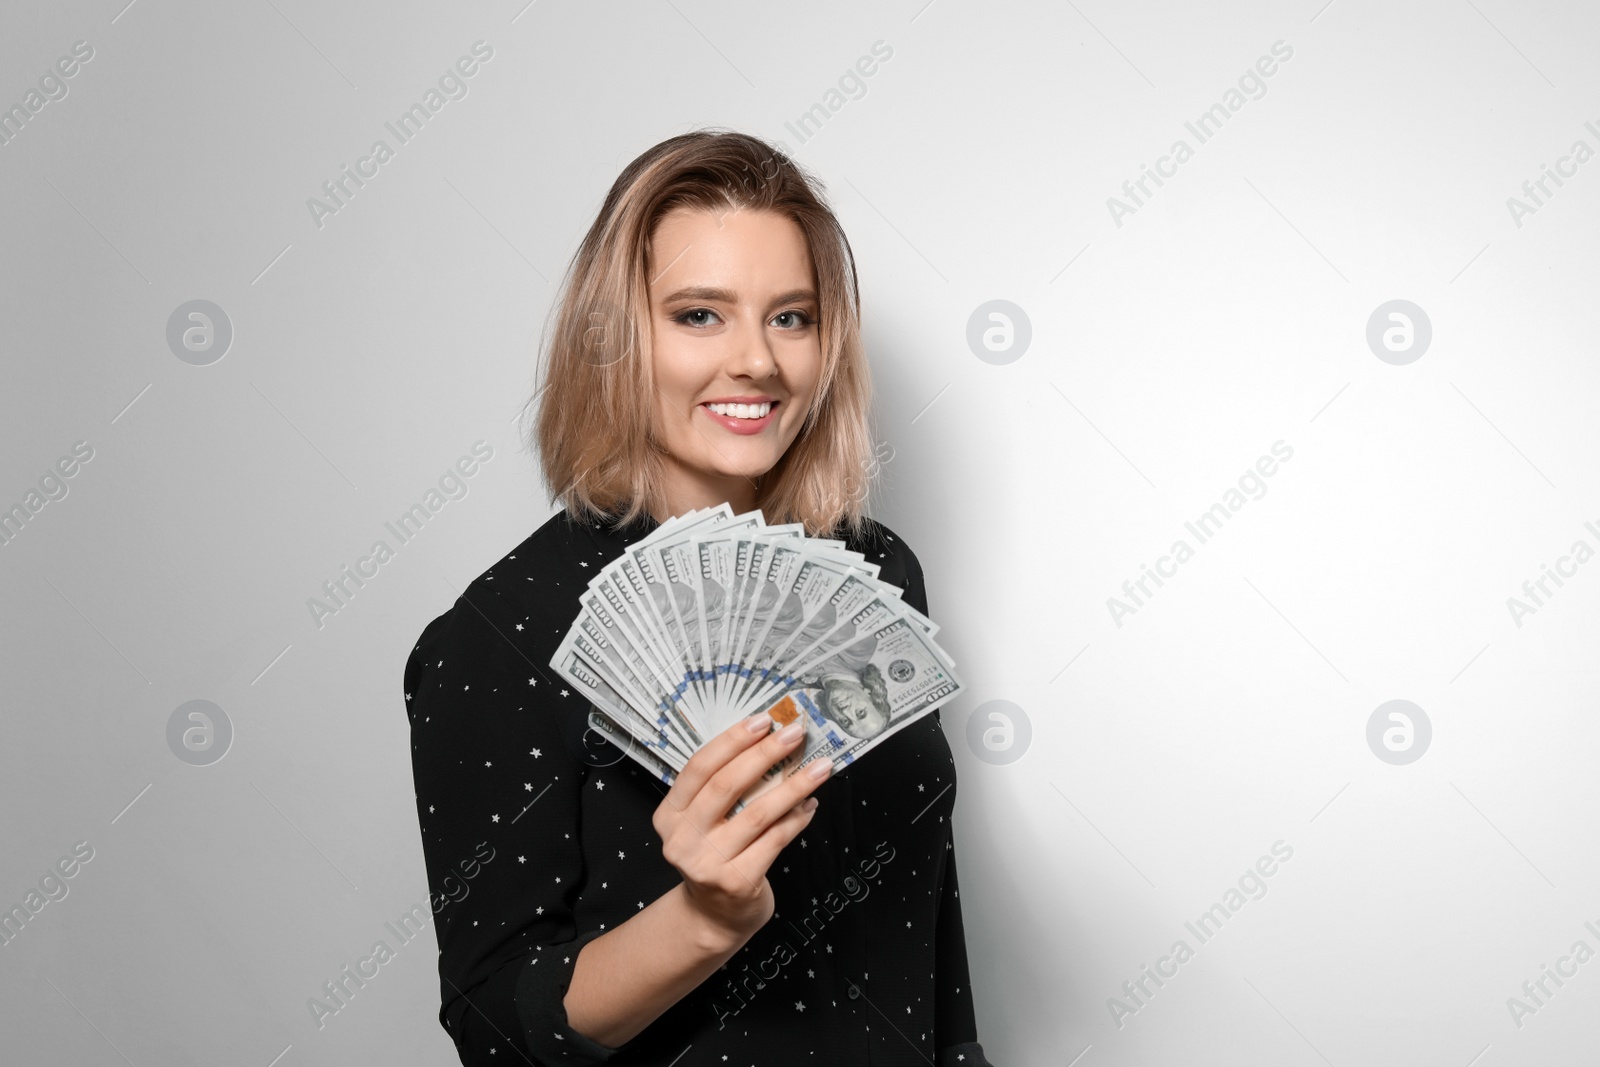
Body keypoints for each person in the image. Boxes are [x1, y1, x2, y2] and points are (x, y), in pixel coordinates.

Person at [403, 129, 993, 1066]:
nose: (757, 361)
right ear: (617, 338)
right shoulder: (504, 633)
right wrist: (704, 919)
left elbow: (930, 939)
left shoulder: (876, 574)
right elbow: (494, 1030)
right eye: (699, 315)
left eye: (791, 317)